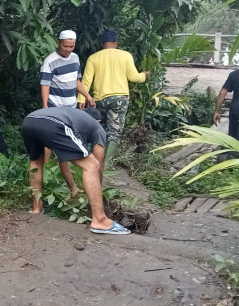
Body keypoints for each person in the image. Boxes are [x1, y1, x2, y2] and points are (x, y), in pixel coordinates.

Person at [21, 106, 130, 234]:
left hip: (29, 120)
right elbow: (97, 166)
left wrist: (73, 188)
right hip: (53, 122)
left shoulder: (76, 120)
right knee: (91, 165)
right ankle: (100, 220)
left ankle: (36, 208)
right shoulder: (98, 128)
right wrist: (98, 195)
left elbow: (63, 160)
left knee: (36, 162)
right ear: (98, 121)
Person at [78, 29, 149, 168]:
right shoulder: (125, 55)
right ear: (116, 43)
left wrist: (81, 98)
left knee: (100, 129)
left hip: (100, 100)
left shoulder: (93, 58)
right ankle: (106, 163)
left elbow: (86, 81)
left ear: (101, 43)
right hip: (119, 99)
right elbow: (134, 77)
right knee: (114, 131)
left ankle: (93, 160)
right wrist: (144, 75)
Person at [39, 30, 95, 196]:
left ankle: (67, 184)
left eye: (71, 46)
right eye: (65, 46)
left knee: (64, 141)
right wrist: (45, 106)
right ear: (58, 43)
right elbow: (45, 84)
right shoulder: (50, 61)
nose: (68, 49)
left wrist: (87, 95)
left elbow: (76, 81)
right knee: (51, 141)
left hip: (71, 108)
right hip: (55, 107)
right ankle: (45, 173)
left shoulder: (75, 58)